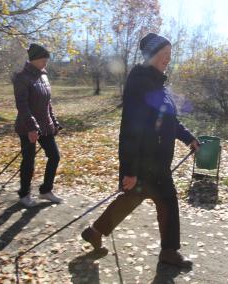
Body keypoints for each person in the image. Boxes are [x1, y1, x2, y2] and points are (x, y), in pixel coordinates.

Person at [81, 33, 200, 268]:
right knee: (167, 200)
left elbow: (170, 121)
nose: (168, 59)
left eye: (170, 55)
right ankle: (169, 251)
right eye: (164, 54)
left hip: (157, 161)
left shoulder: (160, 85)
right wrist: (129, 170)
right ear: (152, 55)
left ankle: (95, 231)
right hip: (146, 161)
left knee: (131, 200)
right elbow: (130, 129)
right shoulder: (139, 82)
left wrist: (189, 139)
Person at [13, 43, 63, 207]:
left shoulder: (44, 76)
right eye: (43, 59)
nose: (45, 63)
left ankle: (46, 191)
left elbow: (48, 104)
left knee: (54, 156)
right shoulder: (22, 77)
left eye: (46, 60)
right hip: (27, 126)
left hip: (45, 125)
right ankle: (24, 194)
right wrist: (32, 127)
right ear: (33, 60)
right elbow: (22, 105)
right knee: (29, 160)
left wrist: (54, 122)